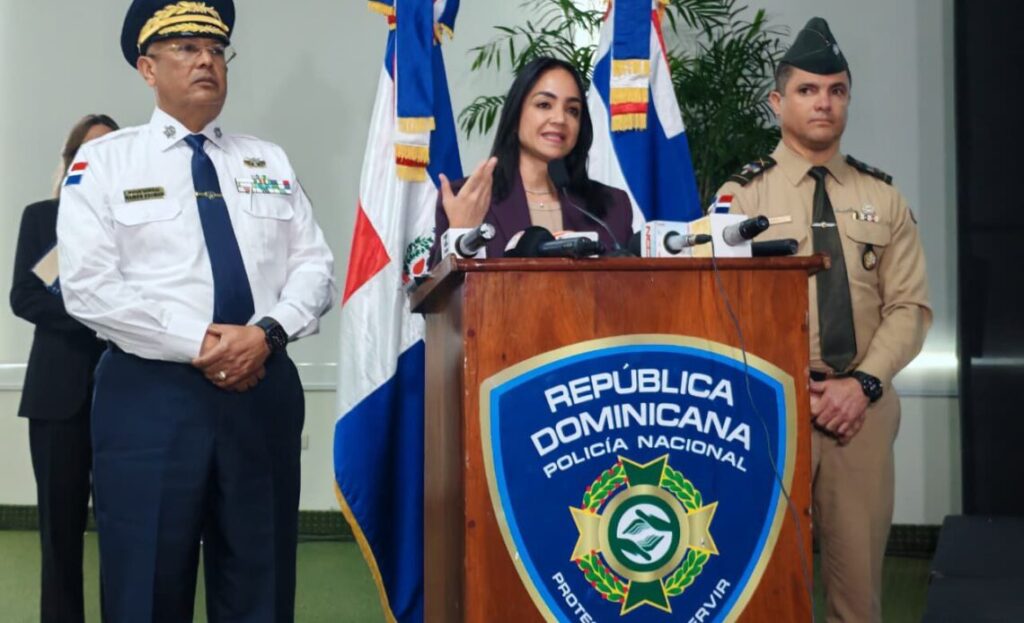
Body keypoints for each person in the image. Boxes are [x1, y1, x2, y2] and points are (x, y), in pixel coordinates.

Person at [55, 1, 336, 621]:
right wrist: (203, 344)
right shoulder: (104, 162)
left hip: (262, 390)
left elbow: (315, 267)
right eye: (185, 47)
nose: (206, 59)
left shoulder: (268, 160)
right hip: (150, 398)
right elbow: (88, 285)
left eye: (215, 48)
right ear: (146, 69)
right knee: (145, 584)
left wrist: (265, 333)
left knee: (259, 583)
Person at [714, 17, 931, 622]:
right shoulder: (741, 200)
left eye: (836, 90)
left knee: (856, 592)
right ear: (777, 101)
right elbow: (722, 309)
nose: (824, 103)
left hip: (861, 409)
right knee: (760, 583)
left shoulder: (883, 198)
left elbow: (910, 307)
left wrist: (860, 387)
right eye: (809, 90)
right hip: (770, 408)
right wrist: (792, 388)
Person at [9, 113, 118, 623]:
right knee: (59, 530)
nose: (95, 160)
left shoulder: (138, 220)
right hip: (56, 398)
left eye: (108, 149)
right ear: (70, 160)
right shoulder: (40, 218)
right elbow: (25, 296)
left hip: (128, 396)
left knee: (127, 529)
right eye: (86, 150)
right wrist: (97, 318)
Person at [432, 56, 634, 260]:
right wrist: (461, 231)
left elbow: (632, 287)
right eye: (544, 105)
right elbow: (436, 291)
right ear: (515, 116)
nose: (560, 119)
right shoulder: (467, 199)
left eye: (572, 110)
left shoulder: (613, 208)